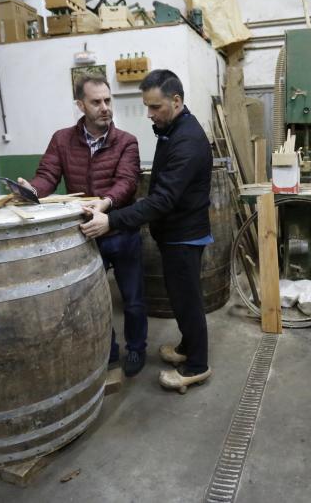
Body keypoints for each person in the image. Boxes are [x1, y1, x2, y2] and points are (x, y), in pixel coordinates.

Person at [79, 69, 214, 393]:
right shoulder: (172, 128)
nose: (150, 114)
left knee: (188, 302)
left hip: (184, 235)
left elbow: (163, 199)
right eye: (148, 107)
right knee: (181, 300)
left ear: (177, 101)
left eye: (155, 107)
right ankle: (187, 347)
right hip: (173, 233)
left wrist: (112, 219)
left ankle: (197, 365)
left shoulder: (188, 141)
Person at [18, 74, 148, 377]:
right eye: (96, 102)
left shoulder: (126, 141)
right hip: (87, 235)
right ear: (80, 104)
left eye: (107, 100)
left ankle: (137, 348)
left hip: (120, 230)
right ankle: (109, 349)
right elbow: (48, 175)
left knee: (133, 299)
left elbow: (127, 182)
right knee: (94, 300)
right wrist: (32, 190)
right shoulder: (62, 139)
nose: (104, 107)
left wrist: (104, 204)